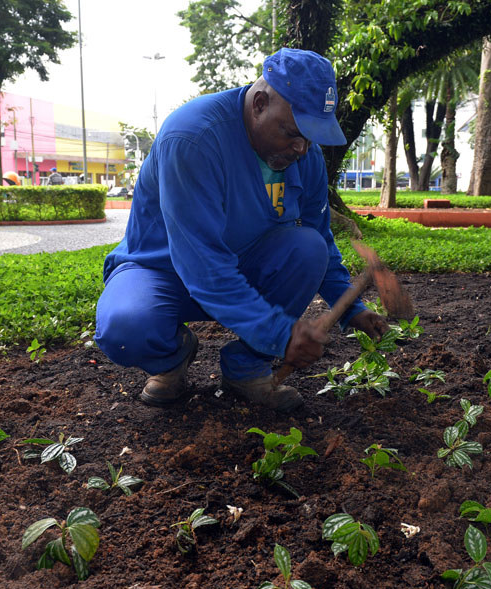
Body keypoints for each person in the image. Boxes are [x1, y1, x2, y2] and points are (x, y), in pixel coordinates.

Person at [94, 48, 388, 412]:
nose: (302, 148)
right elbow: (204, 265)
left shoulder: (304, 155)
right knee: (126, 326)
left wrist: (350, 307)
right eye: (293, 132)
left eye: (311, 137)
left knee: (307, 247)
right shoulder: (192, 139)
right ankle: (171, 359)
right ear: (260, 103)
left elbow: (321, 238)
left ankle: (247, 367)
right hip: (163, 271)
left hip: (244, 267)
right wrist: (282, 334)